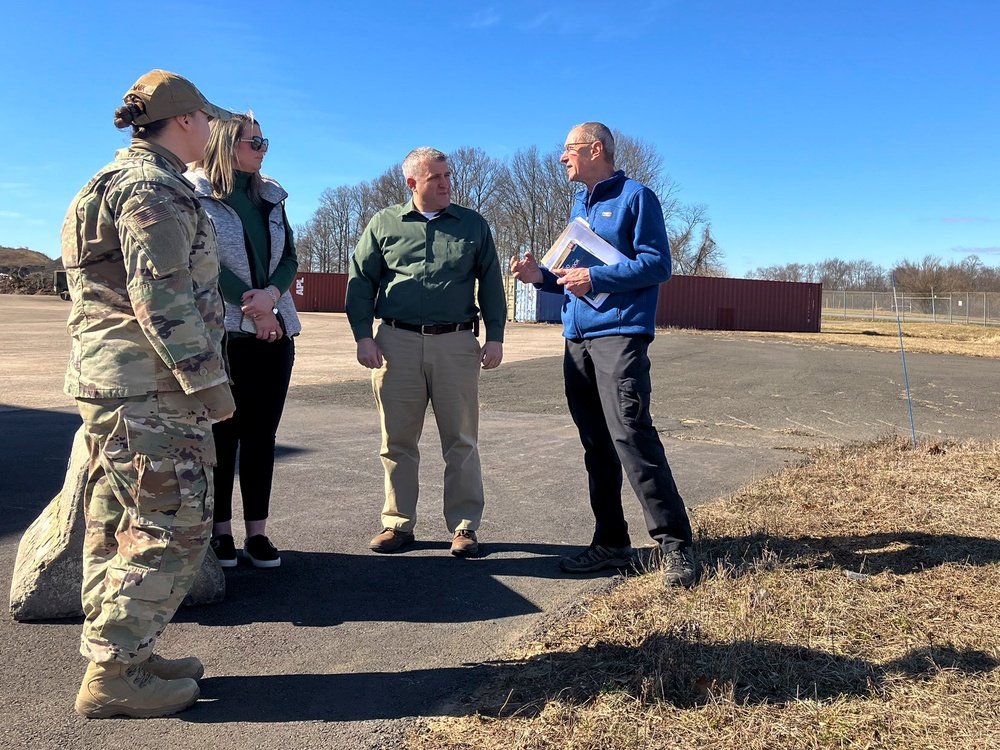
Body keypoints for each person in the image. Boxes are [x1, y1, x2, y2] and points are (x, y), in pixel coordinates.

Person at [61, 70, 235, 718]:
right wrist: (210, 386)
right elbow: (161, 298)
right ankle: (113, 673)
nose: (213, 131)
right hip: (150, 388)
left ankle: (125, 654)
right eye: (207, 120)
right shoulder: (152, 188)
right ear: (186, 120)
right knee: (177, 522)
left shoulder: (105, 182)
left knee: (119, 522)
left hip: (116, 383)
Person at [510, 122, 697, 588]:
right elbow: (570, 274)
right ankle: (612, 542)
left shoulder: (637, 198)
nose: (560, 158)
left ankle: (676, 547)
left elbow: (658, 265)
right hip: (577, 339)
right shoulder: (579, 205)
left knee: (631, 434)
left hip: (619, 336)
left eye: (568, 149)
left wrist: (596, 280)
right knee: (596, 444)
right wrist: (539, 276)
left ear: (596, 150)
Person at [346, 147, 506, 558]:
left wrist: (495, 336)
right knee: (397, 440)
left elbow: (490, 283)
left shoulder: (472, 225)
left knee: (461, 439)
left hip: (455, 342)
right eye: (435, 177)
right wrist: (363, 335)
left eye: (447, 175)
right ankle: (398, 524)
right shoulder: (384, 223)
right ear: (412, 183)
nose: (445, 183)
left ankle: (465, 527)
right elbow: (361, 281)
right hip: (394, 343)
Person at [185, 113, 300, 569]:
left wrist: (271, 298)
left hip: (275, 332)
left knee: (261, 437)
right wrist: (253, 307)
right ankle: (221, 535)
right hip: (223, 333)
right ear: (227, 144)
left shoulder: (271, 196)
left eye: (264, 140)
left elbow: (290, 256)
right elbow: (202, 262)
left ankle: (257, 535)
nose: (263, 148)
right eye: (255, 141)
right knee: (222, 435)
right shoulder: (195, 195)